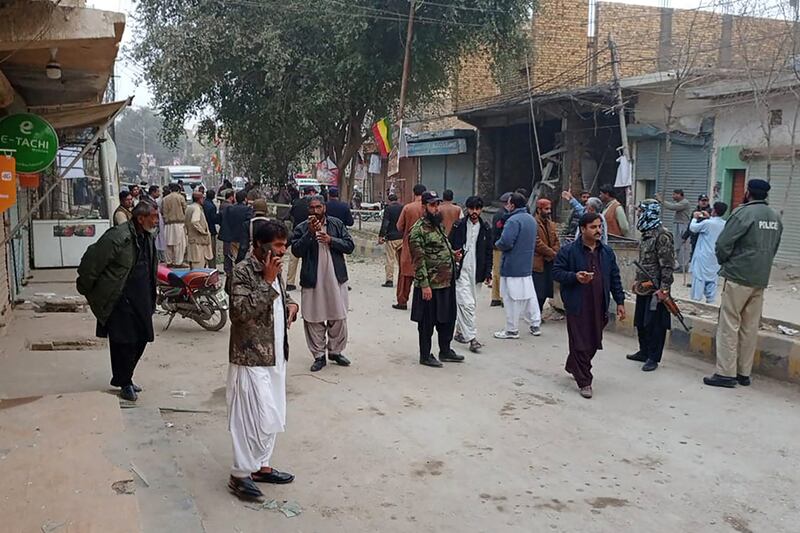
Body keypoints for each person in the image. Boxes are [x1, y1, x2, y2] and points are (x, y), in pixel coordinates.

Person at [227, 220, 299, 502]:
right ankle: (240, 474)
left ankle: (261, 467)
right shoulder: (243, 271)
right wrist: (268, 281)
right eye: (278, 245)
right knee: (250, 418)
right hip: (250, 356)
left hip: (275, 354)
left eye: (284, 244)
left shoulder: (274, 264)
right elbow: (239, 312)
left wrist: (291, 303)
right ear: (259, 244)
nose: (283, 250)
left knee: (274, 414)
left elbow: (280, 297)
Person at [76, 202, 159, 402]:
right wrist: (85, 287)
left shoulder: (148, 236)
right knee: (123, 341)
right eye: (154, 216)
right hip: (120, 297)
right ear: (141, 218)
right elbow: (92, 261)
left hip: (142, 297)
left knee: (143, 337)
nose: (157, 220)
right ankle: (124, 382)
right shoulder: (118, 237)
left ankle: (125, 375)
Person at [704, 179, 783, 388]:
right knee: (749, 327)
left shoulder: (743, 213)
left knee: (729, 325)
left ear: (748, 192)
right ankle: (743, 373)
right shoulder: (775, 217)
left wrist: (725, 262)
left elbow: (723, 244)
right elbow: (774, 247)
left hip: (738, 277)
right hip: (760, 278)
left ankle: (725, 374)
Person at [553, 213, 625, 398]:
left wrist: (620, 301)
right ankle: (585, 381)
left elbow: (615, 277)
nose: (598, 230)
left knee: (593, 341)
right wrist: (575, 276)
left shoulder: (607, 252)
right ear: (583, 229)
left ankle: (573, 364)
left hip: (599, 304)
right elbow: (557, 272)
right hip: (577, 305)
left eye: (600, 227)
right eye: (593, 227)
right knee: (580, 343)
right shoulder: (568, 251)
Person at [291, 196, 355, 372]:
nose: (315, 211)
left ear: (324, 208)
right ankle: (319, 355)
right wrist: (309, 234)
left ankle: (335, 351)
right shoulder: (302, 227)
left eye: (318, 207)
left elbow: (350, 246)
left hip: (336, 278)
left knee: (339, 316)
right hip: (313, 279)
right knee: (313, 317)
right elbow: (296, 250)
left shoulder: (336, 225)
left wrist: (331, 240)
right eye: (312, 208)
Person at [409, 191, 464, 367]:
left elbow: (441, 247)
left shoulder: (437, 225)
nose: (436, 208)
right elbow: (418, 261)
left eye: (437, 204)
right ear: (424, 206)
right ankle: (425, 355)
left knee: (447, 319)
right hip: (430, 285)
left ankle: (445, 350)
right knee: (427, 322)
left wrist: (453, 255)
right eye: (432, 205)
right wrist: (425, 285)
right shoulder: (418, 230)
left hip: (446, 282)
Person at [626, 200, 674, 372]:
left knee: (655, 324)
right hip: (644, 287)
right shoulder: (647, 233)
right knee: (641, 321)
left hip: (656, 289)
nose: (639, 213)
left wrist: (664, 289)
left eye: (641, 210)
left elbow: (667, 265)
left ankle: (653, 357)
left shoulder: (662, 236)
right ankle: (643, 351)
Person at [493, 192, 542, 339]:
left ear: (512, 205)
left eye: (507, 203)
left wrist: (497, 244)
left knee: (511, 298)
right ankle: (535, 324)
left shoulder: (513, 221)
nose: (506, 206)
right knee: (529, 297)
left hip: (512, 265)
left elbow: (506, 242)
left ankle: (511, 329)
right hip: (526, 265)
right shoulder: (531, 219)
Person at [449, 196, 492, 353]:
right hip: (460, 270)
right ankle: (472, 339)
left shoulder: (486, 228)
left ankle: (460, 332)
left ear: (481, 210)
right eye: (472, 208)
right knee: (465, 304)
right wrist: (454, 256)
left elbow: (488, 252)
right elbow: (449, 245)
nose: (474, 212)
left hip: (477, 272)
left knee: (471, 303)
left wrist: (488, 272)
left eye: (477, 209)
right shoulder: (458, 225)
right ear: (467, 209)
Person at [394, 183, 427, 310]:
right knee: (424, 274)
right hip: (425, 246)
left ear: (414, 193)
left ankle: (402, 302)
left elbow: (399, 227)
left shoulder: (408, 208)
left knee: (405, 276)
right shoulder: (429, 207)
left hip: (409, 246)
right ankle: (423, 303)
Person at [687, 202, 727, 303]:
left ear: (714, 211)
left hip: (703, 255)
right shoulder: (725, 224)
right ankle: (711, 300)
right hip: (715, 256)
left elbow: (693, 228)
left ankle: (696, 300)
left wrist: (695, 218)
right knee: (713, 279)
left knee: (699, 278)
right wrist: (708, 217)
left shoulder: (707, 223)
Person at [286, 186, 317, 290]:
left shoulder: (296, 202)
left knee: (293, 258)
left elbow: (290, 215)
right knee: (311, 257)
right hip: (311, 232)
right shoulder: (314, 205)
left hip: (297, 231)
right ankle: (311, 279)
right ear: (312, 192)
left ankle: (290, 282)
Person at [533, 198, 560, 313]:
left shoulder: (551, 224)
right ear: (539, 210)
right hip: (538, 261)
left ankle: (538, 313)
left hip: (549, 261)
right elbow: (537, 243)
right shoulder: (534, 223)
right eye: (546, 209)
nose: (549, 211)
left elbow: (556, 241)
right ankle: (535, 314)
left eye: (549, 209)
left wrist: (554, 251)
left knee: (546, 290)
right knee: (538, 290)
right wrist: (551, 252)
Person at [219, 190, 252, 277]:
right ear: (245, 199)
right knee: (244, 258)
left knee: (233, 257)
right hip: (243, 239)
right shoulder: (248, 210)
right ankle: (241, 274)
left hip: (232, 238)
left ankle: (234, 273)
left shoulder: (229, 209)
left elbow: (224, 222)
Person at [658, 189, 692, 271]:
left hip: (683, 225)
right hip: (677, 224)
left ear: (680, 194)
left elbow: (672, 207)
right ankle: (680, 265)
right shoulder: (680, 202)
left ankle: (684, 266)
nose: (672, 196)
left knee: (683, 246)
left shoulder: (685, 202)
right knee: (677, 245)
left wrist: (661, 200)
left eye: (674, 194)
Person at [489, 192, 512, 307]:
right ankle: (500, 297)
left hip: (498, 245)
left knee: (497, 272)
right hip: (499, 246)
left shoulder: (502, 213)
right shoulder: (502, 215)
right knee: (499, 272)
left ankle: (496, 297)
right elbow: (499, 231)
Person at [379, 193, 403, 288]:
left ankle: (389, 280)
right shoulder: (403, 208)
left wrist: (381, 236)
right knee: (401, 260)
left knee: (390, 260)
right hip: (401, 237)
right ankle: (403, 279)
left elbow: (385, 223)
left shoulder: (388, 209)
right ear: (397, 199)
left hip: (391, 237)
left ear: (389, 200)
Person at [185, 191, 213, 270]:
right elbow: (194, 221)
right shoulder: (196, 208)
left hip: (192, 239)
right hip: (198, 241)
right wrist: (203, 232)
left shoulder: (189, 207)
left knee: (193, 264)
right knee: (198, 266)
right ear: (200, 199)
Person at [161, 183, 187, 267]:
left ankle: (169, 262)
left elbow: (162, 211)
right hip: (179, 224)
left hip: (168, 224)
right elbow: (185, 209)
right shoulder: (180, 197)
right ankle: (178, 262)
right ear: (178, 190)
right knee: (179, 244)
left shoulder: (165, 199)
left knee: (168, 244)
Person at [203, 189, 219, 268]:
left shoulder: (203, 204)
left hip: (203, 229)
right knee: (212, 251)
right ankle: (212, 267)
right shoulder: (212, 206)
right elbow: (213, 219)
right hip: (211, 230)